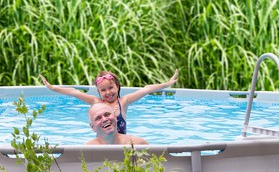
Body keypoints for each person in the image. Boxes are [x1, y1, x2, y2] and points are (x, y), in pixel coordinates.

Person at [39, 69, 179, 134]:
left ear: (117, 86)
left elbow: (146, 89)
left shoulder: (124, 102)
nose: (108, 92)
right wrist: (52, 88)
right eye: (103, 90)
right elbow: (73, 92)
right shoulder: (96, 102)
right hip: (103, 144)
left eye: (111, 88)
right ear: (99, 92)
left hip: (120, 144)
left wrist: (167, 83)